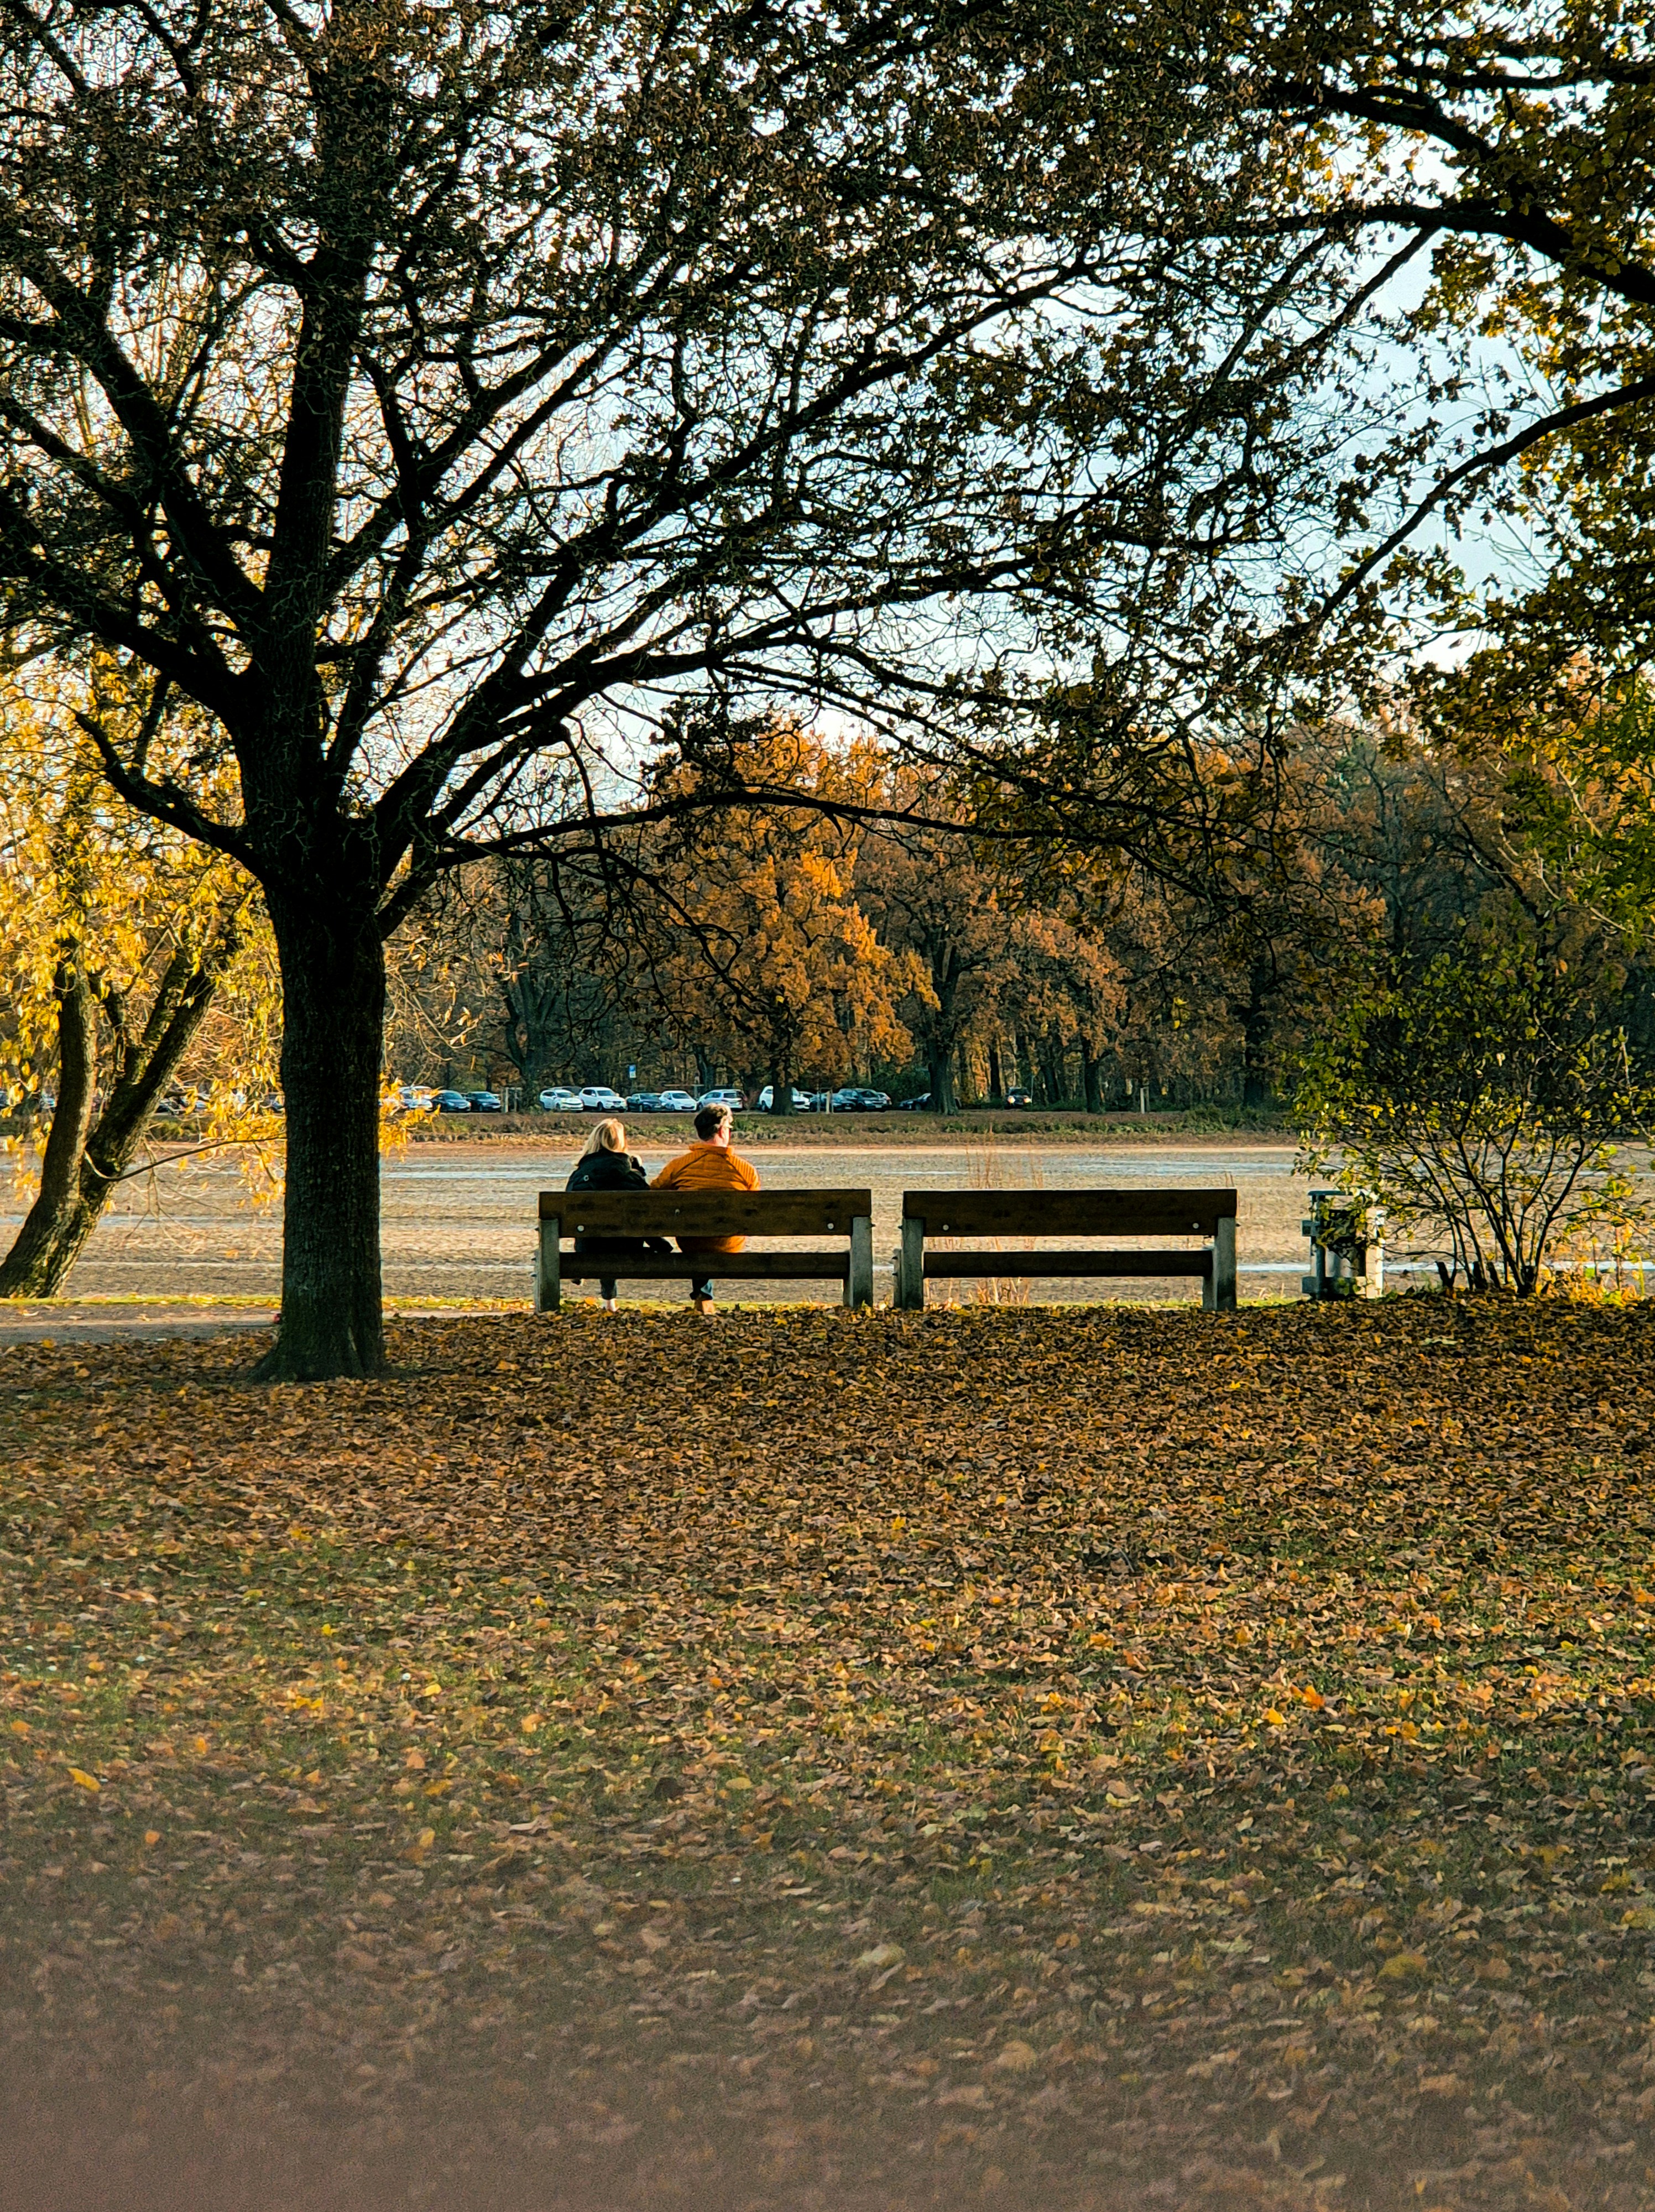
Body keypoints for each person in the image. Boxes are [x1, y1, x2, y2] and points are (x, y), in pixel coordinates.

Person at [651, 1102, 760, 1316]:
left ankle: (703, 1297)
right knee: (715, 1231)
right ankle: (705, 1298)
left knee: (696, 1232)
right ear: (721, 1130)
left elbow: (652, 1195)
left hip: (691, 1241)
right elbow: (755, 1208)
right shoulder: (744, 1170)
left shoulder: (679, 1166)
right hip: (729, 1242)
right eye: (729, 1128)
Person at [564, 1118, 655, 1311]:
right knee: (615, 1233)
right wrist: (639, 1172)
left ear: (593, 1142)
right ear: (622, 1144)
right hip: (628, 1248)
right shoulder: (632, 1176)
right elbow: (648, 1210)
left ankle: (609, 1300)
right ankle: (610, 1301)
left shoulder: (579, 1176)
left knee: (597, 1232)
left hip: (588, 1250)